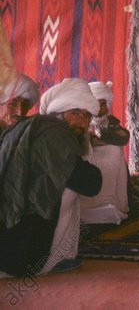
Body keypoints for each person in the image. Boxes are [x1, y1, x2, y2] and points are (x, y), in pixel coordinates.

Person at [0, 78, 102, 277]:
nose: (82, 122)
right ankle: (52, 259)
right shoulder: (53, 132)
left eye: (86, 116)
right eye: (75, 113)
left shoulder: (36, 126)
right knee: (70, 187)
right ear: (58, 111)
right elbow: (91, 183)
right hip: (17, 247)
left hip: (9, 233)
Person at [79, 81, 130, 224]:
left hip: (110, 160)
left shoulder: (112, 123)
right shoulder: (80, 122)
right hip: (87, 158)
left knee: (114, 150)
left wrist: (97, 132)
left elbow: (123, 137)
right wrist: (89, 138)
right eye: (96, 104)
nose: (99, 109)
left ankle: (112, 205)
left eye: (102, 104)